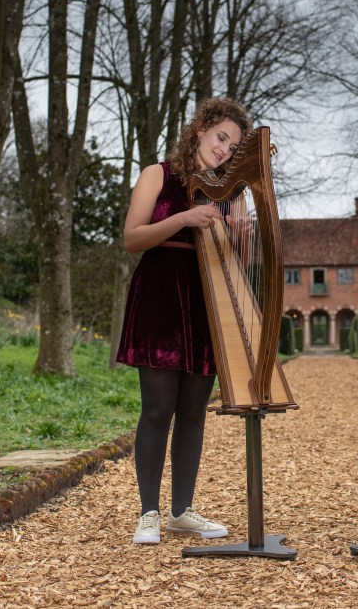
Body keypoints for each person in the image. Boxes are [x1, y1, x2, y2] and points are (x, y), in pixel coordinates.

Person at [117, 97, 252, 545]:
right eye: (221, 138)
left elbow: (239, 263)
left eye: (233, 147)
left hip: (207, 301)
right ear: (200, 129)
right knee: (158, 409)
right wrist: (184, 218)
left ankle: (181, 511)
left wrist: (242, 234)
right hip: (159, 295)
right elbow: (132, 239)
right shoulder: (157, 174)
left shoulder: (230, 192)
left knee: (194, 412)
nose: (225, 150)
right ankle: (149, 514)